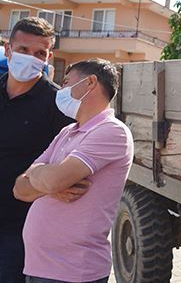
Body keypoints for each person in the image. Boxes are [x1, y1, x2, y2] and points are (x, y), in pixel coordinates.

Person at [13, 58, 133, 283]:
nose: (61, 89)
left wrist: (38, 174)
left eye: (66, 82)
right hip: (41, 267)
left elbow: (51, 180)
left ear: (90, 83)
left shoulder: (112, 131)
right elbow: (19, 188)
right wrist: (47, 183)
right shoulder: (67, 131)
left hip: (72, 271)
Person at [0, 18, 73, 283]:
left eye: (39, 53)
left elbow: (69, 167)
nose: (30, 58)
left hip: (20, 230)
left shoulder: (59, 106)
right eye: (23, 50)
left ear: (49, 57)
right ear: (8, 50)